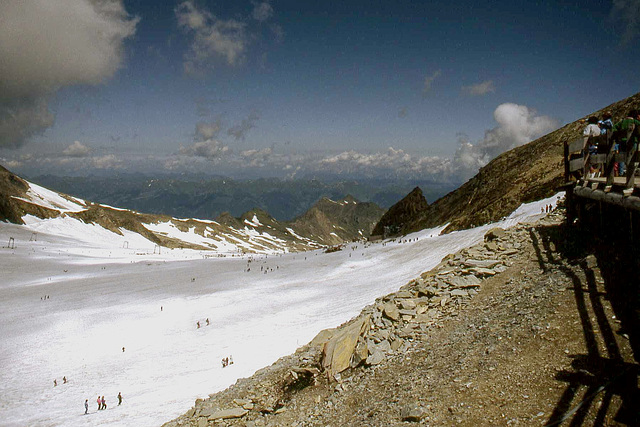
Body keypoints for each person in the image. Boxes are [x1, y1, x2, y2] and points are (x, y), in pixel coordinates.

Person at [612, 109, 640, 176]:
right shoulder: (634, 121)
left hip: (622, 141)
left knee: (622, 157)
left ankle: (621, 172)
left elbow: (614, 128)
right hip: (633, 141)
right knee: (632, 156)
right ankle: (630, 173)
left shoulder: (622, 122)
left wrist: (619, 134)